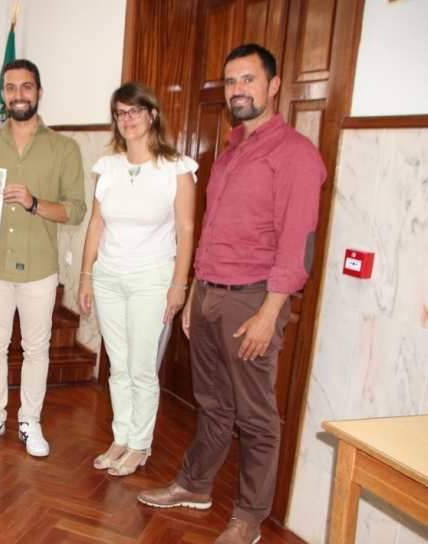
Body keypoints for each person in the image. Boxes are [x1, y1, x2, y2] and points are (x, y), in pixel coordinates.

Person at [137, 44, 326, 544]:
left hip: (253, 301)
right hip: (210, 295)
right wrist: (197, 287)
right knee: (213, 403)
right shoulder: (231, 150)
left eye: (248, 79)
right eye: (231, 82)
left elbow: (296, 245)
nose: (238, 90)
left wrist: (270, 312)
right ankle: (195, 485)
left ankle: (249, 516)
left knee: (257, 417)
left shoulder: (296, 155)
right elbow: (214, 228)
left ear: (274, 85)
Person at [0, 59, 86, 457]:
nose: (18, 95)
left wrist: (33, 203)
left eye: (26, 87)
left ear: (39, 92)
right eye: (11, 87)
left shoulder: (64, 148)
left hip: (39, 268)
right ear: (3, 94)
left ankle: (30, 420)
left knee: (37, 349)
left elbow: (76, 210)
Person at [77, 82, 196, 476]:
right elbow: (95, 225)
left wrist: (180, 285)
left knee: (142, 367)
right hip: (109, 277)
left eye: (134, 111)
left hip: (152, 279)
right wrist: (86, 276)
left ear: (152, 114)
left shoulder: (176, 167)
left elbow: (186, 228)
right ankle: (121, 437)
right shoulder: (107, 167)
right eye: (120, 113)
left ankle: (140, 444)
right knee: (118, 367)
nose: (127, 119)